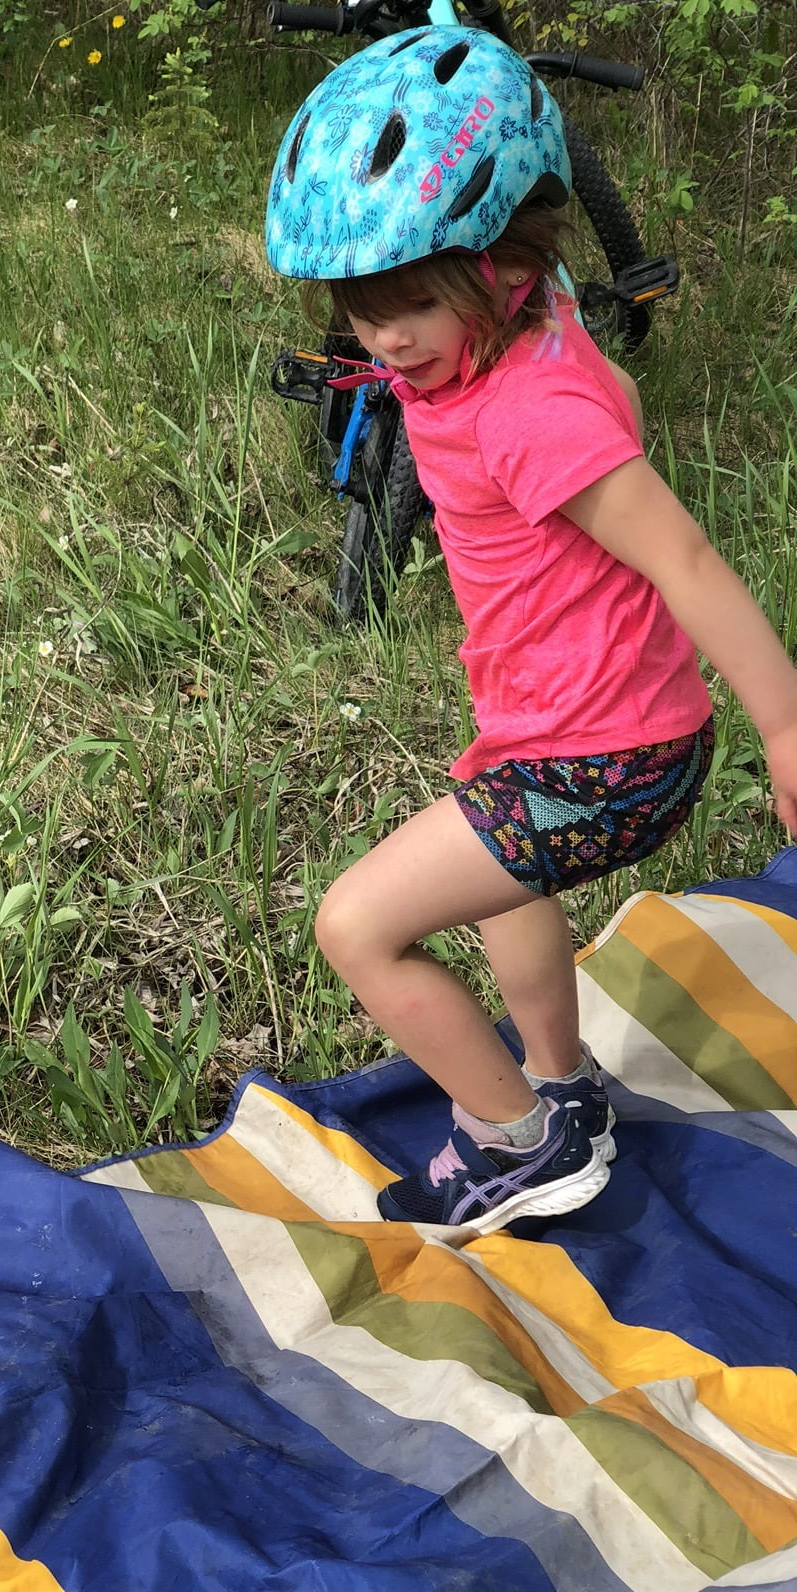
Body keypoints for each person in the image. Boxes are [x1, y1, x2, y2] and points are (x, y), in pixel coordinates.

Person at [262, 25, 797, 1234]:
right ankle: (566, 1091)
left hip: (607, 759)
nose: (382, 336)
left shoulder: (535, 407)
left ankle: (519, 1137)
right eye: (358, 304)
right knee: (506, 876)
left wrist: (785, 721)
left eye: (409, 302)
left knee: (356, 924)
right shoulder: (517, 315)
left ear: (497, 263)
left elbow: (688, 558)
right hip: (557, 735)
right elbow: (507, 267)